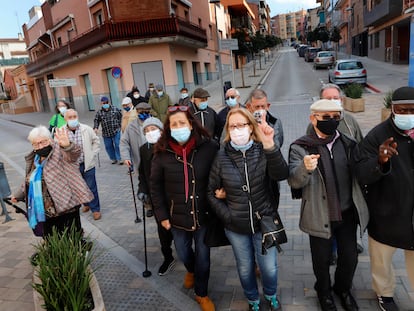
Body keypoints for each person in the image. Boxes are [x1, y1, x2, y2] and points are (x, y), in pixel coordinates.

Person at [288, 99, 368, 311]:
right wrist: (305, 168)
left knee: (349, 258)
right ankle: (324, 293)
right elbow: (294, 181)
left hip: (347, 214)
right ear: (312, 119)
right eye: (326, 117)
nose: (332, 121)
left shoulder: (349, 143)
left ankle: (343, 289)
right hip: (318, 215)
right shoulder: (300, 147)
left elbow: (362, 173)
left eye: (336, 117)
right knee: (321, 261)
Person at [207, 107, 289, 311]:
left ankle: (270, 295)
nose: (237, 130)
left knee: (269, 267)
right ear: (227, 129)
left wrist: (270, 144)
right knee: (245, 269)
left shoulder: (263, 150)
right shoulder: (221, 156)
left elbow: (281, 174)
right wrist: (228, 216)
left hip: (264, 222)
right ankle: (253, 300)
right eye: (232, 126)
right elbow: (210, 192)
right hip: (236, 227)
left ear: (251, 128)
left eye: (241, 125)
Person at [150, 105, 218, 311]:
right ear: (168, 128)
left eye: (182, 122)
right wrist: (161, 215)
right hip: (176, 216)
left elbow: (220, 173)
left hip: (203, 214)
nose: (178, 127)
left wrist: (221, 192)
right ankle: (190, 270)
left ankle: (202, 293)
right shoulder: (161, 153)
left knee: (204, 258)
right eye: (174, 124)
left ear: (190, 124)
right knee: (183, 252)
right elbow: (155, 187)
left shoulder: (209, 147)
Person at [353, 86, 414, 311]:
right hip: (386, 213)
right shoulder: (377, 136)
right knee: (382, 262)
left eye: (413, 110)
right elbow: (360, 172)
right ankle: (385, 294)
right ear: (392, 110)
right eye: (403, 110)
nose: (408, 115)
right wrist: (380, 162)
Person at [307, 83, 365, 263]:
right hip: (327, 188)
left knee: (347, 222)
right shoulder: (315, 125)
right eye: (328, 98)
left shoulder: (349, 121)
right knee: (330, 221)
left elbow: (361, 146)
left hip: (348, 184)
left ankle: (347, 247)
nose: (333, 102)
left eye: (336, 98)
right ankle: (330, 250)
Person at [11, 125, 93, 237]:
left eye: (43, 142)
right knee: (52, 240)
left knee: (72, 238)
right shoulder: (35, 158)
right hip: (45, 211)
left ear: (49, 140)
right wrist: (18, 195)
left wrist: (67, 146)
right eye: (36, 144)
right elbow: (31, 178)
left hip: (66, 207)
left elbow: (74, 155)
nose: (40, 146)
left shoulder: (60, 151)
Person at [137, 117, 175, 274]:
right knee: (162, 232)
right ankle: (168, 257)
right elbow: (142, 173)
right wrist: (142, 189)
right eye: (146, 130)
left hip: (174, 196)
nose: (150, 133)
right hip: (157, 198)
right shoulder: (144, 149)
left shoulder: (171, 147)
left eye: (153, 129)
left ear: (161, 130)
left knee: (179, 231)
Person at [64, 109, 102, 221]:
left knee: (91, 187)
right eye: (70, 117)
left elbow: (96, 141)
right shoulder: (61, 131)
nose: (73, 119)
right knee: (79, 188)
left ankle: (95, 210)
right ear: (66, 119)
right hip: (72, 166)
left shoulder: (87, 129)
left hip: (87, 164)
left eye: (74, 116)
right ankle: (86, 204)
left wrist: (93, 153)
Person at [93, 96, 123, 164]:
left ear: (109, 102)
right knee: (108, 146)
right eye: (103, 103)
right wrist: (95, 127)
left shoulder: (115, 109)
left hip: (116, 130)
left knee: (117, 144)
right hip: (106, 132)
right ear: (101, 104)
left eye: (106, 102)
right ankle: (113, 158)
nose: (105, 104)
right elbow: (96, 120)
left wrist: (120, 126)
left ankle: (120, 158)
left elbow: (120, 117)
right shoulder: (99, 112)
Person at [120, 103, 148, 174]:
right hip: (139, 160)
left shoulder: (156, 123)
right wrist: (126, 157)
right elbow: (124, 142)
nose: (143, 114)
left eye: (146, 112)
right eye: (141, 112)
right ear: (137, 112)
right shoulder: (131, 126)